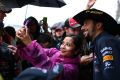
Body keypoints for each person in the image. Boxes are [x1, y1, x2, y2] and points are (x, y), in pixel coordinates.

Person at [13, 26, 83, 80]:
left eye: (68, 45)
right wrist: (22, 42)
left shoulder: (71, 69)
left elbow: (49, 68)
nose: (63, 47)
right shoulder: (55, 52)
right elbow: (37, 52)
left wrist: (29, 43)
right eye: (63, 43)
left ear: (76, 50)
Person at [73, 8, 120, 80]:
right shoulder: (98, 42)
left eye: (86, 23)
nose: (82, 28)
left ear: (98, 25)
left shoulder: (106, 41)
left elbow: (111, 74)